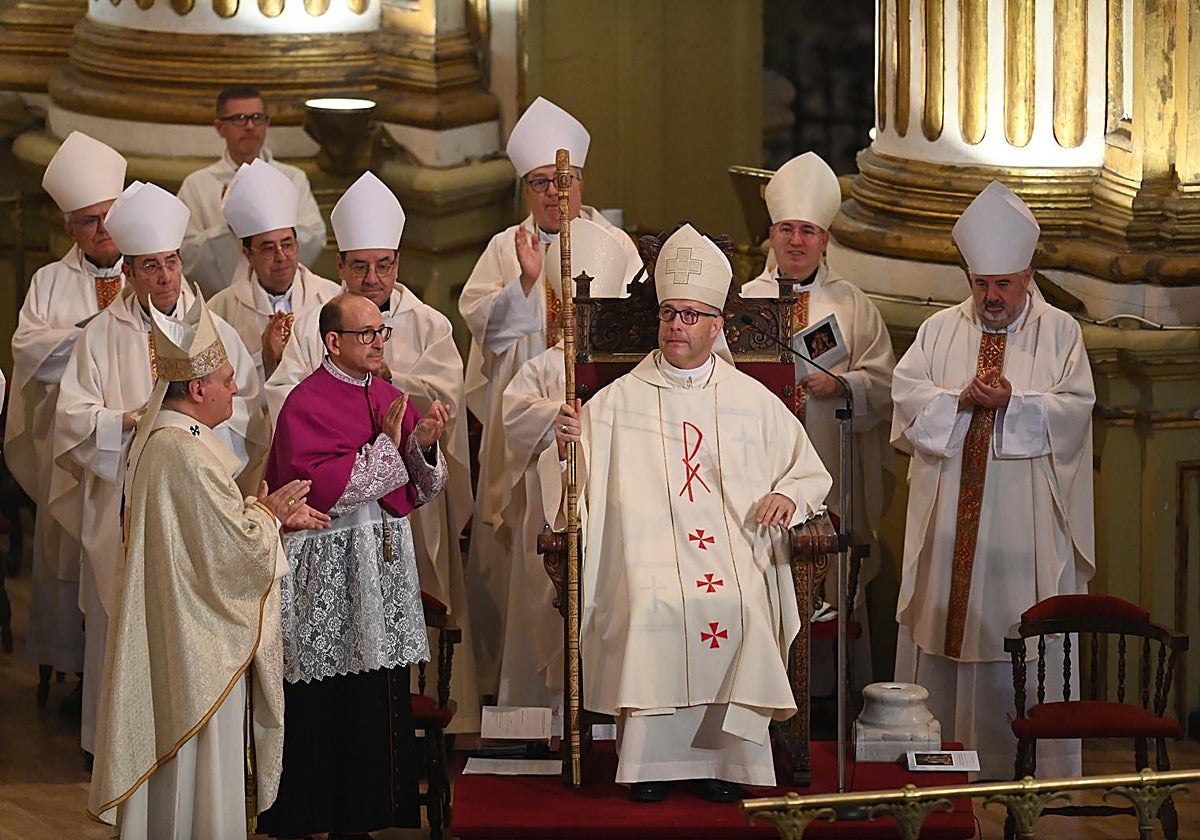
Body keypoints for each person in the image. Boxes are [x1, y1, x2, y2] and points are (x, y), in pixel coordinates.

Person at [542, 224, 832, 802]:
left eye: (692, 315)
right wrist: (569, 444)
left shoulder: (754, 402)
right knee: (651, 599)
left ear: (718, 325)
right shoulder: (617, 401)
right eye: (669, 313)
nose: (677, 325)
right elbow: (574, 492)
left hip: (735, 552)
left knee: (743, 601)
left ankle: (729, 764)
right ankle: (651, 765)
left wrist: (788, 497)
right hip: (646, 555)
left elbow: (809, 472)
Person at [87, 296, 329, 839]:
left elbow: (211, 538)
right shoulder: (184, 453)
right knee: (200, 778)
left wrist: (264, 518)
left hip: (188, 633)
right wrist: (267, 518)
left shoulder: (175, 442)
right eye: (226, 380)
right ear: (196, 390)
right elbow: (233, 555)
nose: (235, 389)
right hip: (200, 650)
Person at [48, 181, 267, 758]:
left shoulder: (215, 331)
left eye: (170, 262)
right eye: (151, 267)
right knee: (122, 620)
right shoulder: (101, 335)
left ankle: (190, 740)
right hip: (125, 503)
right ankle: (115, 747)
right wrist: (123, 421)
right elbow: (72, 419)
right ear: (133, 273)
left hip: (197, 501)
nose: (166, 276)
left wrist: (191, 434)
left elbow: (244, 407)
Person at [891, 180, 1095, 780]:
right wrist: (958, 400)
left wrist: (1015, 403)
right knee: (942, 624)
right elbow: (907, 395)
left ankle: (1029, 767)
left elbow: (1075, 410)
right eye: (981, 284)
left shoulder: (1061, 333)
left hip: (1022, 523)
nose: (991, 296)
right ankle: (937, 762)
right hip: (951, 516)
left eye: (1002, 284)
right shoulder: (940, 330)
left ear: (1027, 275)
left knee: (1017, 626)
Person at [265, 170, 479, 732]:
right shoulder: (324, 327)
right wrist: (358, 399)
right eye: (359, 266)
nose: (372, 277)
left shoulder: (428, 323)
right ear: (340, 268)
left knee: (390, 667)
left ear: (398, 264)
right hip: (333, 535)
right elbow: (289, 400)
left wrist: (404, 414)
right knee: (340, 675)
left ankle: (406, 749)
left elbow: (442, 400)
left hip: (401, 526)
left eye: (383, 265)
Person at [459, 97, 642, 696]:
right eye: (540, 183)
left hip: (601, 430)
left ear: (581, 181)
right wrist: (526, 283)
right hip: (530, 434)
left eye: (562, 181)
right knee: (526, 569)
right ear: (526, 188)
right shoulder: (503, 247)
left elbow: (635, 333)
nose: (553, 193)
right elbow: (485, 335)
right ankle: (525, 701)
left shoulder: (617, 247)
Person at [257, 293, 449, 839]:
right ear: (333, 341)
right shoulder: (305, 403)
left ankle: (360, 817)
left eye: (380, 332)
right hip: (327, 570)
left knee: (374, 697)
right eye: (364, 334)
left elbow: (422, 488)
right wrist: (391, 447)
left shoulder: (391, 395)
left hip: (382, 568)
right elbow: (324, 487)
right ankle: (305, 817)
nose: (376, 343)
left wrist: (424, 448)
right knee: (322, 701)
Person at [741, 151, 896, 688]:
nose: (797, 240)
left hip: (833, 467)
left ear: (825, 239)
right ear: (771, 234)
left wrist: (843, 384)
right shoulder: (742, 305)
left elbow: (885, 384)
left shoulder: (852, 306)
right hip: (758, 480)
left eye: (808, 230)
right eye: (787, 229)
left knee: (831, 585)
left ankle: (828, 699)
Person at [6, 132, 126, 705]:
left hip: (132, 446)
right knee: (67, 554)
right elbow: (30, 349)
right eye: (88, 220)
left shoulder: (154, 269)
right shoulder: (50, 282)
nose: (102, 229)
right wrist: (92, 340)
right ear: (69, 229)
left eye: (108, 215)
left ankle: (120, 671)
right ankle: (70, 665)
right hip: (72, 445)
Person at [495, 218, 633, 707]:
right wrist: (553, 419)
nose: (584, 320)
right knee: (548, 613)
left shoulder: (634, 366)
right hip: (553, 510)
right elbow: (513, 422)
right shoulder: (545, 366)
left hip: (620, 512)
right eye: (576, 309)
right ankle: (545, 720)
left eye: (596, 311)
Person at [177, 85, 327, 297]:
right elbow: (185, 255)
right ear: (220, 127)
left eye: (257, 117)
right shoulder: (197, 185)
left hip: (288, 298)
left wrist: (272, 224)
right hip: (222, 303)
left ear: (267, 123)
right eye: (239, 118)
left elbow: (314, 237)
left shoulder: (292, 178)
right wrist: (229, 226)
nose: (249, 126)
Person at [209, 158, 340, 386]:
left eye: (287, 244)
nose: (281, 256)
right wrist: (265, 359)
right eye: (269, 248)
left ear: (297, 245)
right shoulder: (220, 311)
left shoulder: (332, 299)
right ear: (248, 255)